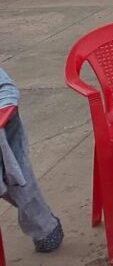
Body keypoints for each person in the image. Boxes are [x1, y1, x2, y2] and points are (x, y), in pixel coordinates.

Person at [0, 67, 63, 254]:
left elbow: (5, 89)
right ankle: (46, 227)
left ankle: (45, 228)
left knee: (15, 172)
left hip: (4, 122)